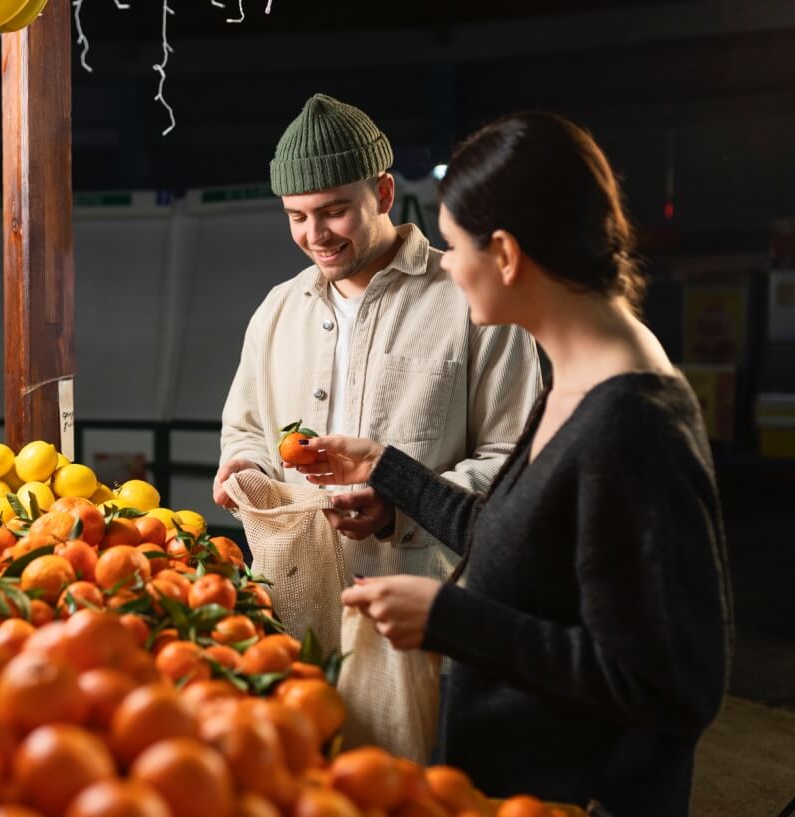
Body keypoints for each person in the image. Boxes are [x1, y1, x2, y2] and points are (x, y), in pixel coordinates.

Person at [296, 112, 734, 816]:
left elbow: (669, 685)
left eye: (453, 244)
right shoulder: (577, 375)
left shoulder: (630, 422)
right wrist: (389, 468)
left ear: (503, 253)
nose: (443, 261)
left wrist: (450, 619)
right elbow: (520, 538)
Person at [214, 93, 543, 590]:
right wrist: (246, 465)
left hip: (429, 614)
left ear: (384, 193)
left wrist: (400, 508)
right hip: (291, 606)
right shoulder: (276, 310)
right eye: (296, 216)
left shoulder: (475, 301)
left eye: (334, 211)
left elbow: (515, 457)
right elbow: (246, 430)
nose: (315, 235)